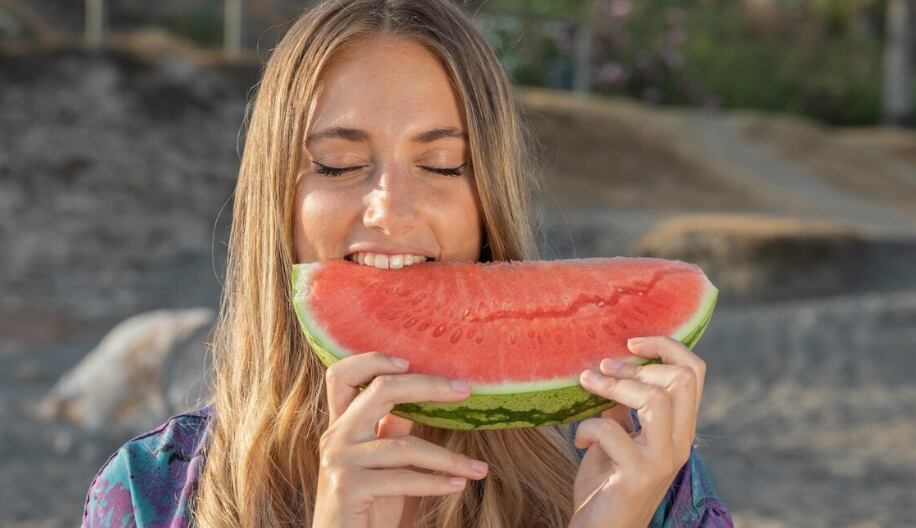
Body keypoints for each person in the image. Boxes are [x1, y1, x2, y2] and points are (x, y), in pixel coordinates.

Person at [82, 0, 734, 526]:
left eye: (442, 164)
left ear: (489, 199)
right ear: (276, 198)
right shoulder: (151, 495)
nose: (389, 210)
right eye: (338, 164)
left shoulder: (636, 474)